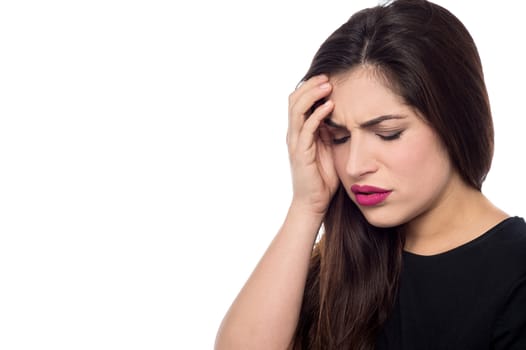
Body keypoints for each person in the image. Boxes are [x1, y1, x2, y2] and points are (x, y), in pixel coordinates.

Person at [214, 0, 526, 349]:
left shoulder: (515, 272)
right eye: (340, 138)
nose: (354, 165)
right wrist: (306, 207)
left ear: (455, 122)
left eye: (387, 133)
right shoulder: (345, 258)